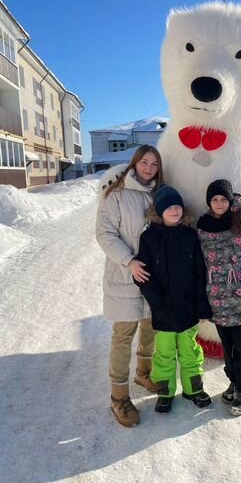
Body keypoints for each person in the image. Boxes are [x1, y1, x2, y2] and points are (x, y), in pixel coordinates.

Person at [96, 145, 163, 427]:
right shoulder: (116, 194)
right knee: (123, 334)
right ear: (134, 163)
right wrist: (129, 261)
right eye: (144, 162)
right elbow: (104, 234)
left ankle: (143, 373)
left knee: (150, 326)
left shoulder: (160, 194)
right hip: (125, 275)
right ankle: (118, 396)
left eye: (154, 164)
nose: (148, 168)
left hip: (154, 277)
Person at [134, 184, 213, 413]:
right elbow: (144, 277)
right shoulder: (148, 238)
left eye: (178, 206)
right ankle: (165, 393)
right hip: (163, 310)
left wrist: (201, 307)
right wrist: (157, 303)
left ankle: (193, 390)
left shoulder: (190, 236)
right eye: (169, 207)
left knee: (191, 351)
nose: (175, 211)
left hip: (188, 309)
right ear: (160, 211)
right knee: (165, 354)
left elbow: (200, 273)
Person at [197, 179, 241, 416]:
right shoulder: (203, 229)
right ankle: (234, 382)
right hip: (215, 300)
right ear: (209, 202)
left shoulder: (240, 227)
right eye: (214, 199)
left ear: (229, 201)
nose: (219, 203)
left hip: (238, 300)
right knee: (227, 347)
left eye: (223, 199)